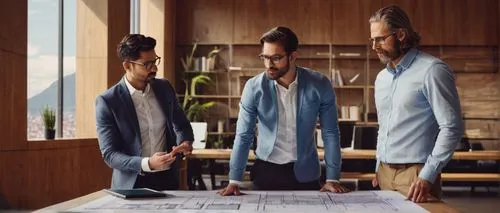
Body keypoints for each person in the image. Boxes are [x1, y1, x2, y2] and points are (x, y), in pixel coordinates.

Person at [218, 26, 349, 196]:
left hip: (306, 174)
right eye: (264, 57)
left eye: (276, 58)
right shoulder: (253, 87)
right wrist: (234, 180)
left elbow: (330, 133)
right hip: (266, 173)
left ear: (293, 56)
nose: (268, 64)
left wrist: (333, 178)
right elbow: (244, 135)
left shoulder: (320, 84)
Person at [369, 5, 463, 203]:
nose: (374, 46)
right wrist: (378, 166)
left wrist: (428, 174)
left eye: (380, 39)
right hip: (384, 174)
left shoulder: (432, 70)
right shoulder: (381, 78)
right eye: (372, 40)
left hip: (416, 176)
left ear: (401, 35)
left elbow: (451, 127)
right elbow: (384, 127)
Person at [95, 34, 194, 191]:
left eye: (155, 61)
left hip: (168, 180)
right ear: (127, 66)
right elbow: (110, 154)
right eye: (147, 64)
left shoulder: (164, 88)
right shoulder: (108, 102)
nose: (154, 68)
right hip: (131, 184)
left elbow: (182, 125)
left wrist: (184, 143)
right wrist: (147, 163)